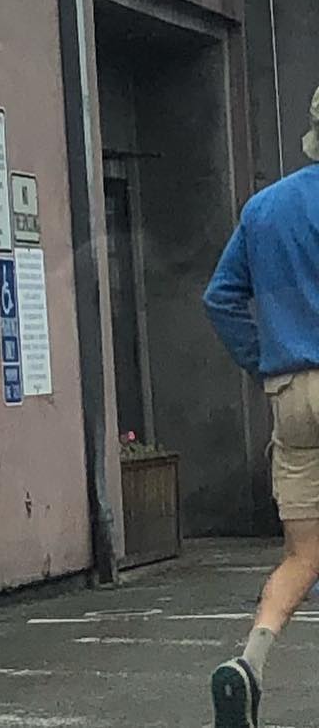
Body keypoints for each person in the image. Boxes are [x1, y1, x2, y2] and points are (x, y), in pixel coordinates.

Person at [203, 85, 319, 727]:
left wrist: (265, 358)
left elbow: (220, 298)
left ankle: (247, 663)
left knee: (304, 553)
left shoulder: (264, 209)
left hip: (290, 394)